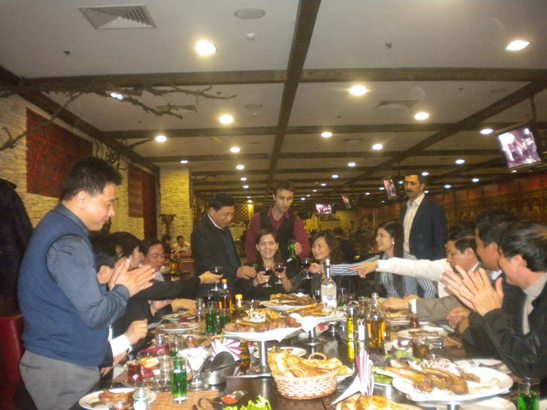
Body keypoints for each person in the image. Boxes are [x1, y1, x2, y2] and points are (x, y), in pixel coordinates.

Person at [18, 157, 155, 410]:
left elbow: (74, 300)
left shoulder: (60, 229)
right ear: (82, 198)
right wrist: (123, 290)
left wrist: (111, 289)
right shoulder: (68, 242)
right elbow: (95, 315)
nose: (112, 212)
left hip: (64, 361)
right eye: (108, 203)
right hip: (62, 367)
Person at [443, 221, 547, 380]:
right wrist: (479, 314)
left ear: (518, 262)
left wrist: (492, 313)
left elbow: (530, 367)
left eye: (501, 254)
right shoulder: (516, 292)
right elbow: (493, 352)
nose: (498, 261)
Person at [381, 222, 480, 321]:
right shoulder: (466, 271)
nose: (448, 259)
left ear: (469, 253)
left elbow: (449, 305)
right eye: (447, 253)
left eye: (452, 254)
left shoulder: (481, 276)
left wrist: (408, 304)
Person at [191, 193, 256, 296]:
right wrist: (236, 271)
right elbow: (206, 264)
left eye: (232, 214)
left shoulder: (224, 227)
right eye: (226, 214)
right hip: (212, 290)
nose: (229, 218)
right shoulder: (201, 232)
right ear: (212, 211)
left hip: (231, 286)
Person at [244, 181, 310, 264]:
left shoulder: (296, 221)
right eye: (281, 198)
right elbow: (250, 246)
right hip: (263, 267)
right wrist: (254, 265)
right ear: (274, 197)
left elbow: (305, 248)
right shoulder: (258, 219)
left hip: (288, 266)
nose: (285, 203)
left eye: (289, 198)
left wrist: (300, 249)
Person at [373, 221, 436, 299]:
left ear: (393, 239)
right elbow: (360, 266)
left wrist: (420, 305)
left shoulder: (410, 260)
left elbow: (430, 289)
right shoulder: (379, 260)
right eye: (377, 235)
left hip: (407, 305)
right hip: (388, 305)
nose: (377, 239)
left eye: (381, 236)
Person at [400, 174, 447, 261]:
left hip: (426, 261)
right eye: (406, 183)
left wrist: (439, 263)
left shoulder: (434, 208)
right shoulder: (404, 209)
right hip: (405, 260)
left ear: (422, 186)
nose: (408, 187)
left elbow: (440, 239)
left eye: (412, 183)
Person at [240, 228, 295, 300]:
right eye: (263, 244)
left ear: (277, 246)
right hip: (258, 306)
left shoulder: (284, 266)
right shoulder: (249, 268)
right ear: (257, 247)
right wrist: (255, 281)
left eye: (271, 243)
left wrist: (284, 278)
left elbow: (290, 291)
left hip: (281, 306)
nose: (267, 247)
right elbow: (242, 294)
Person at [291, 231, 340, 297]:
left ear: (330, 248)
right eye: (313, 246)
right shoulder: (311, 267)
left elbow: (336, 294)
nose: (315, 250)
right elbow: (291, 286)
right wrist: (283, 277)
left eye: (320, 246)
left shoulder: (338, 269)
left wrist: (322, 270)